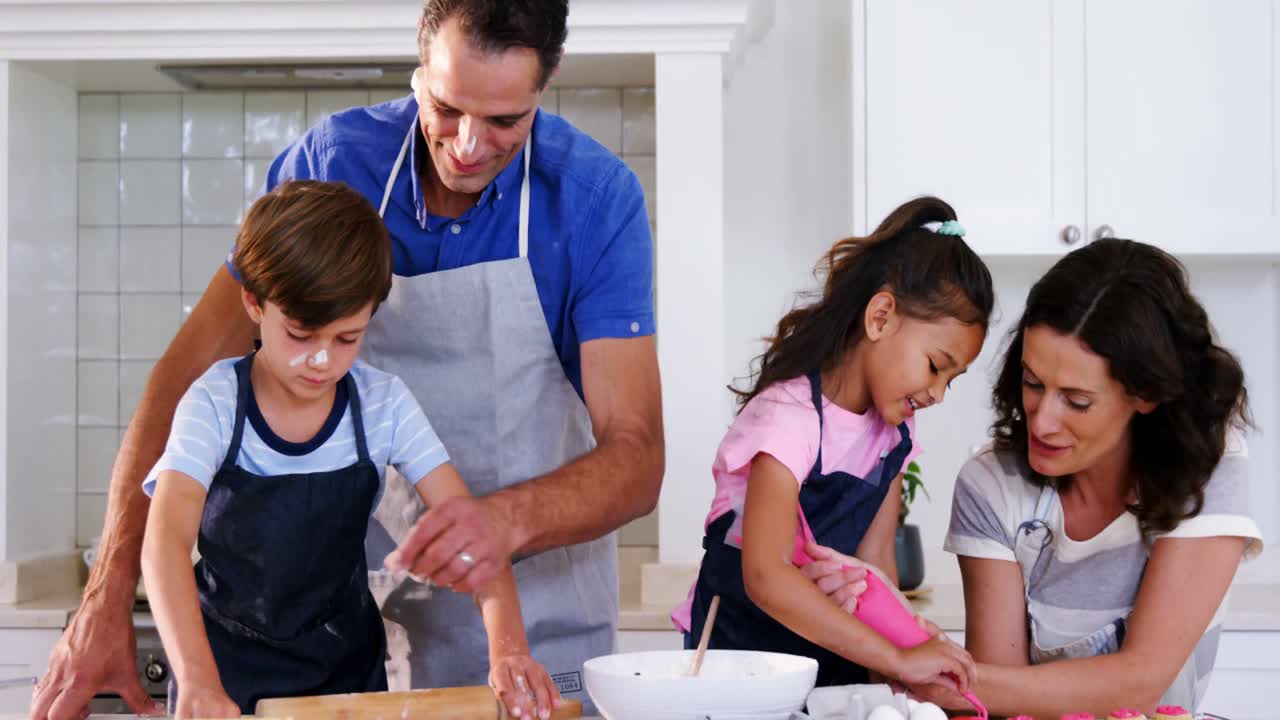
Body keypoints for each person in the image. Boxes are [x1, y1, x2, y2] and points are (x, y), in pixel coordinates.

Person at [31, 2, 662, 718]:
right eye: (447, 106)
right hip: (363, 627)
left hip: (537, 615)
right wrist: (104, 599)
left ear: (543, 91)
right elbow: (180, 385)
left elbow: (637, 456)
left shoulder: (593, 199)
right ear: (419, 69)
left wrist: (501, 525)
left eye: (503, 123)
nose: (465, 145)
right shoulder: (332, 166)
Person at [139, 180, 559, 719]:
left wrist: (509, 649)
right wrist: (196, 680)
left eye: (346, 339)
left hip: (347, 680)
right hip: (222, 677)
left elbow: (468, 528)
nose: (322, 361)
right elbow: (165, 542)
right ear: (253, 302)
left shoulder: (383, 404)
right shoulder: (216, 403)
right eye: (300, 334)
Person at [901, 239, 1261, 717]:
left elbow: (1140, 680)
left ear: (1147, 394)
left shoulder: (1208, 467)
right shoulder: (991, 486)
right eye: (1032, 383)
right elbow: (999, 702)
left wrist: (944, 682)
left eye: (1076, 400)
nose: (1042, 421)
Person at [671, 197, 991, 692]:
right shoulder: (789, 418)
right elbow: (766, 574)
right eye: (935, 365)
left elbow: (876, 567)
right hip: (741, 665)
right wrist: (897, 658)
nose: (938, 393)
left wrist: (909, 649)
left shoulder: (894, 437)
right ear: (881, 317)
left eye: (954, 379)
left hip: (833, 665)